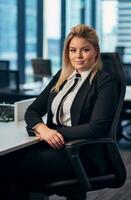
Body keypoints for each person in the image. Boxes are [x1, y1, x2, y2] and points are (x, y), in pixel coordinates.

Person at [0, 24, 118, 200]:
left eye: (85, 50)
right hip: (54, 146)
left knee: (10, 166)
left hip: (81, 153)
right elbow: (32, 111)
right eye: (73, 50)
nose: (78, 56)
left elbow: (96, 128)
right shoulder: (62, 77)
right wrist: (43, 129)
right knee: (9, 164)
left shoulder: (105, 81)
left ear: (96, 51)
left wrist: (56, 133)